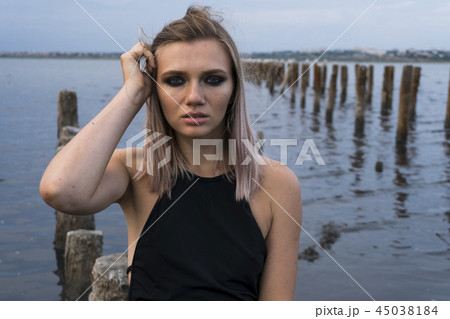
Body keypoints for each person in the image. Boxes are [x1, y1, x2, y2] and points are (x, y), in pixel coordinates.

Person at [40, 6, 302, 301]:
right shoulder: (136, 171)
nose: (194, 97)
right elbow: (59, 190)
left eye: (213, 79)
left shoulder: (277, 185)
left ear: (234, 89)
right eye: (175, 80)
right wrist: (133, 93)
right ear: (154, 87)